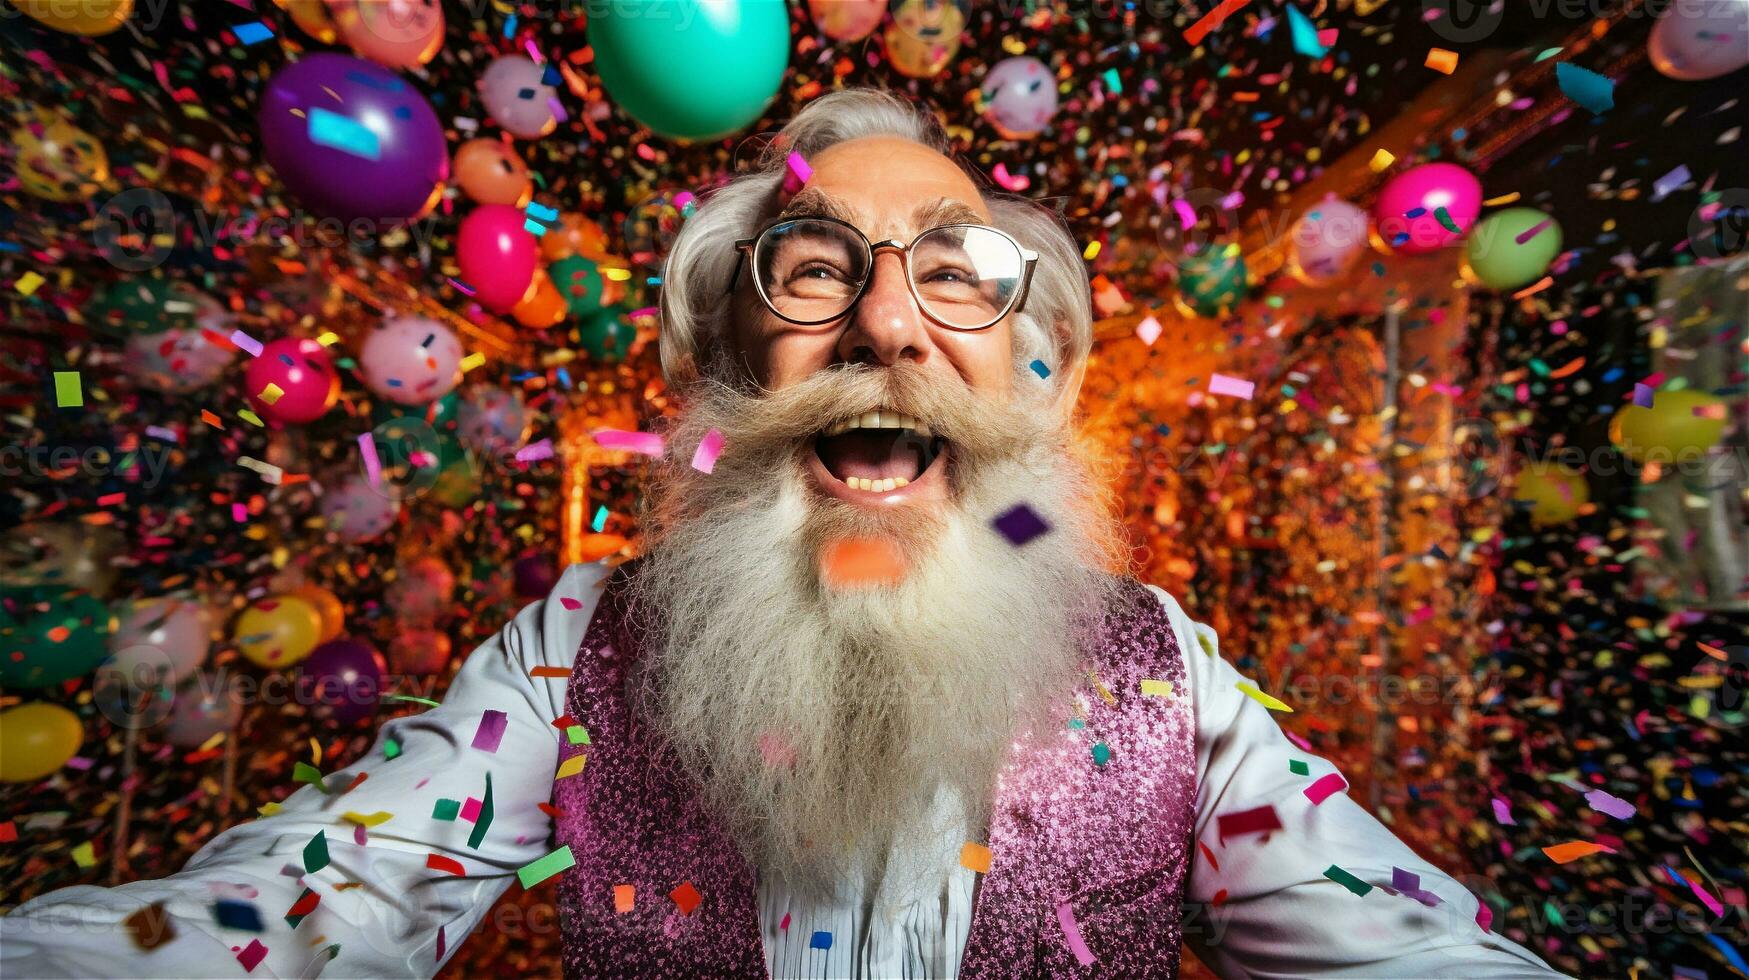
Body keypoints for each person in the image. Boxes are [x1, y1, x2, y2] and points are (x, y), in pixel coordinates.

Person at [0, 89, 1560, 979]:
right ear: (720, 374)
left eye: (959, 273)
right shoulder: (573, 654)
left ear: (1044, 380)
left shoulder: (1170, 679)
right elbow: (296, 908)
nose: (887, 317)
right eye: (812, 271)